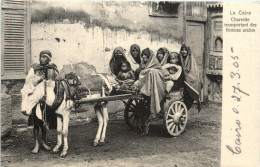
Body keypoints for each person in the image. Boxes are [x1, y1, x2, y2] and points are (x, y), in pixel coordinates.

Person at [26, 50, 58, 153]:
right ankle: (36, 144)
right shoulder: (34, 68)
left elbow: (58, 81)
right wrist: (38, 80)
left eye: (44, 57)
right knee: (36, 123)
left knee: (45, 121)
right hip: (37, 99)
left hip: (48, 99)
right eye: (40, 56)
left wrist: (52, 82)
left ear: (49, 58)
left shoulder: (52, 68)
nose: (41, 59)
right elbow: (29, 82)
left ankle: (43, 142)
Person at [135, 48, 166, 135]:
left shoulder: (155, 65)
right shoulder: (143, 65)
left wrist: (146, 71)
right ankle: (143, 124)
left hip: (155, 88)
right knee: (141, 107)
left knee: (151, 72)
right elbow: (138, 73)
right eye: (143, 55)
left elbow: (159, 74)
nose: (144, 57)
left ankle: (146, 125)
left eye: (146, 56)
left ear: (150, 57)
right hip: (144, 90)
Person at [179, 44, 203, 112]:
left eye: (185, 50)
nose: (184, 51)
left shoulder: (191, 59)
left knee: (189, 95)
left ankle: (185, 109)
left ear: (188, 51)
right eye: (182, 50)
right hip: (181, 79)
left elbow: (193, 71)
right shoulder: (179, 58)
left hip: (190, 80)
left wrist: (185, 74)